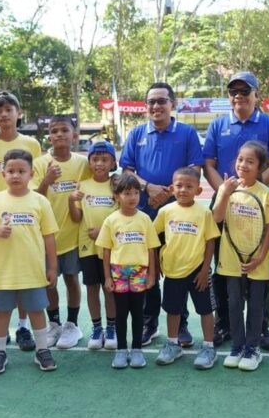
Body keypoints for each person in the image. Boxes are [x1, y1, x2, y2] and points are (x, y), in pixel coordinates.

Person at [119, 82, 203, 347]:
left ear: (172, 104)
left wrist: (167, 193)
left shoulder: (187, 133)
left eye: (161, 101)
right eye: (151, 102)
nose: (156, 106)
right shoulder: (136, 133)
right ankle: (150, 322)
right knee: (149, 270)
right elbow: (127, 171)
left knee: (179, 269)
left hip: (178, 216)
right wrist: (147, 187)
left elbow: (194, 169)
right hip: (144, 215)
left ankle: (182, 325)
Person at [203, 71, 269, 350]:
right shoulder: (217, 125)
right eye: (233, 92)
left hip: (257, 202)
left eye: (244, 91)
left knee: (259, 264)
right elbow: (209, 164)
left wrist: (252, 189)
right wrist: (226, 190)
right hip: (225, 199)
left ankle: (261, 328)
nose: (238, 96)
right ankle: (224, 323)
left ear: (256, 95)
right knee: (223, 266)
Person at [0, 149, 59, 374]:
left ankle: (42, 350)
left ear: (31, 174)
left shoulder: (40, 201)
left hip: (33, 270)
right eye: (11, 171)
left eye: (21, 171)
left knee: (36, 310)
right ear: (3, 174)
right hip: (3, 272)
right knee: (2, 311)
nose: (16, 175)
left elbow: (49, 237)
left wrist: (52, 266)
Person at [0, 91, 42, 353]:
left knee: (25, 276)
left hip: (25, 222)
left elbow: (35, 184)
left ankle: (24, 325)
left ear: (19, 113)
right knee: (2, 278)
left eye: (9, 109)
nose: (4, 115)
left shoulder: (32, 144)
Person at [212, 141, 269, 371]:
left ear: (260, 167)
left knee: (256, 306)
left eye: (250, 161)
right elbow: (217, 218)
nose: (243, 164)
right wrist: (225, 193)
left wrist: (260, 256)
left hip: (258, 262)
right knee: (234, 304)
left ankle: (253, 348)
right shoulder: (226, 188)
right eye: (240, 159)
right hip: (230, 261)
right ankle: (237, 346)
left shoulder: (267, 194)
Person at [33, 115, 91, 349]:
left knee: (71, 279)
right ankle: (54, 324)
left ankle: (72, 325)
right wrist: (47, 180)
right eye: (54, 131)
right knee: (49, 283)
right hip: (46, 237)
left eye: (64, 130)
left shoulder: (82, 163)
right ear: (49, 135)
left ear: (74, 135)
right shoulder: (39, 164)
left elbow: (89, 194)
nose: (59, 134)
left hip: (73, 235)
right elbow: (33, 199)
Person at [153, 167, 220, 369]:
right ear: (172, 188)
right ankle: (173, 344)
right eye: (179, 186)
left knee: (205, 310)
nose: (183, 190)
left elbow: (210, 242)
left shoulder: (204, 213)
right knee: (173, 310)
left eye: (189, 186)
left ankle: (209, 347)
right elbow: (152, 237)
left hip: (198, 272)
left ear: (198, 191)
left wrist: (204, 270)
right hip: (173, 272)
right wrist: (156, 264)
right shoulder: (165, 211)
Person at [96, 174, 160, 369]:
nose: (132, 197)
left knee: (138, 313)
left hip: (140, 272)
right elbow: (106, 251)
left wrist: (151, 274)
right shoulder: (111, 220)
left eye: (135, 193)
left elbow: (151, 249)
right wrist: (107, 276)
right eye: (127, 193)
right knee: (121, 312)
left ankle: (137, 350)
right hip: (118, 272)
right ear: (117, 196)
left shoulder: (145, 219)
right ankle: (121, 350)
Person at [68, 141, 118, 350]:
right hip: (88, 246)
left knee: (110, 288)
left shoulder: (117, 185)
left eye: (104, 160)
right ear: (89, 162)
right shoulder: (83, 185)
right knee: (92, 287)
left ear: (113, 163)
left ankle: (112, 328)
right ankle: (97, 328)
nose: (99, 163)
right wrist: (71, 200)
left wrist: (104, 233)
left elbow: (122, 216)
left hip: (111, 247)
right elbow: (76, 217)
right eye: (95, 159)